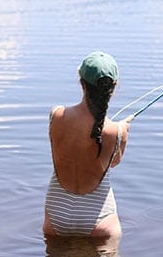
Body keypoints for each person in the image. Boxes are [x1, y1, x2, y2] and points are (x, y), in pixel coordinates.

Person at [43, 51, 133, 244]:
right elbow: (114, 162)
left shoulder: (56, 114)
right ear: (114, 86)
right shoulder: (117, 131)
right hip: (99, 219)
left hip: (57, 213)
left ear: (81, 82)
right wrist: (123, 131)